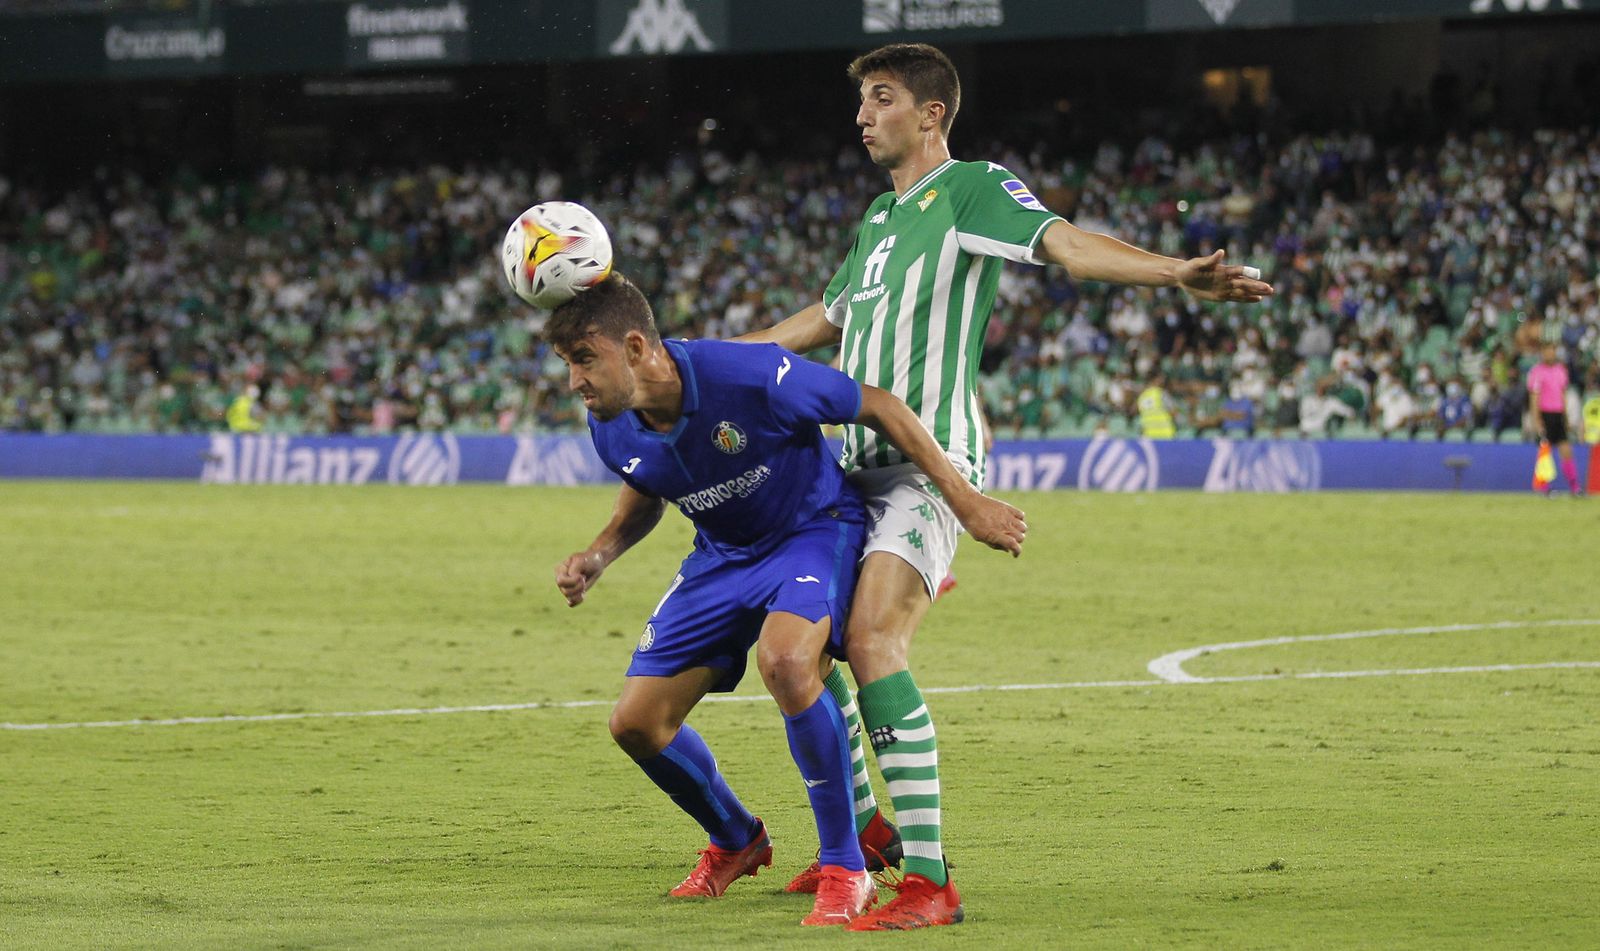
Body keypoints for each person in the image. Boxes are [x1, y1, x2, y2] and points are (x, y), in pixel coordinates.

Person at [739, 42, 1273, 929]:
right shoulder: (877, 220)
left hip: (927, 464)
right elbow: (812, 324)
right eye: (863, 102)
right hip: (846, 472)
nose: (863, 116)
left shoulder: (972, 189)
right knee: (798, 644)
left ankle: (931, 881)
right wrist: (688, 365)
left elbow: (1065, 244)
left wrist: (1174, 270)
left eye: (881, 99)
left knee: (872, 642)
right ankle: (867, 831)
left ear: (932, 113)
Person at [549, 275, 1025, 927]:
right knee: (636, 723)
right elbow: (647, 480)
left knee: (788, 660)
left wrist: (965, 500)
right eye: (566, 363)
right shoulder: (610, 425)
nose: (574, 380)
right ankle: (737, 838)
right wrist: (599, 554)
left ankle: (846, 867)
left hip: (811, 530)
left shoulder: (747, 374)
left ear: (635, 347)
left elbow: (878, 404)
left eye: (583, 358)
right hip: (721, 557)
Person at [1527, 344, 1582, 496]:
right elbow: (1534, 398)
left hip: (1558, 415)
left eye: (1552, 351)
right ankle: (1544, 487)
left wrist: (1565, 417)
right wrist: (1537, 420)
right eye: (1547, 351)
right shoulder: (1537, 372)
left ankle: (1574, 487)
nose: (1550, 354)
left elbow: (1562, 395)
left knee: (1566, 451)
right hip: (1545, 414)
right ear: (1542, 353)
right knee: (1545, 453)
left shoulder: (1561, 371)